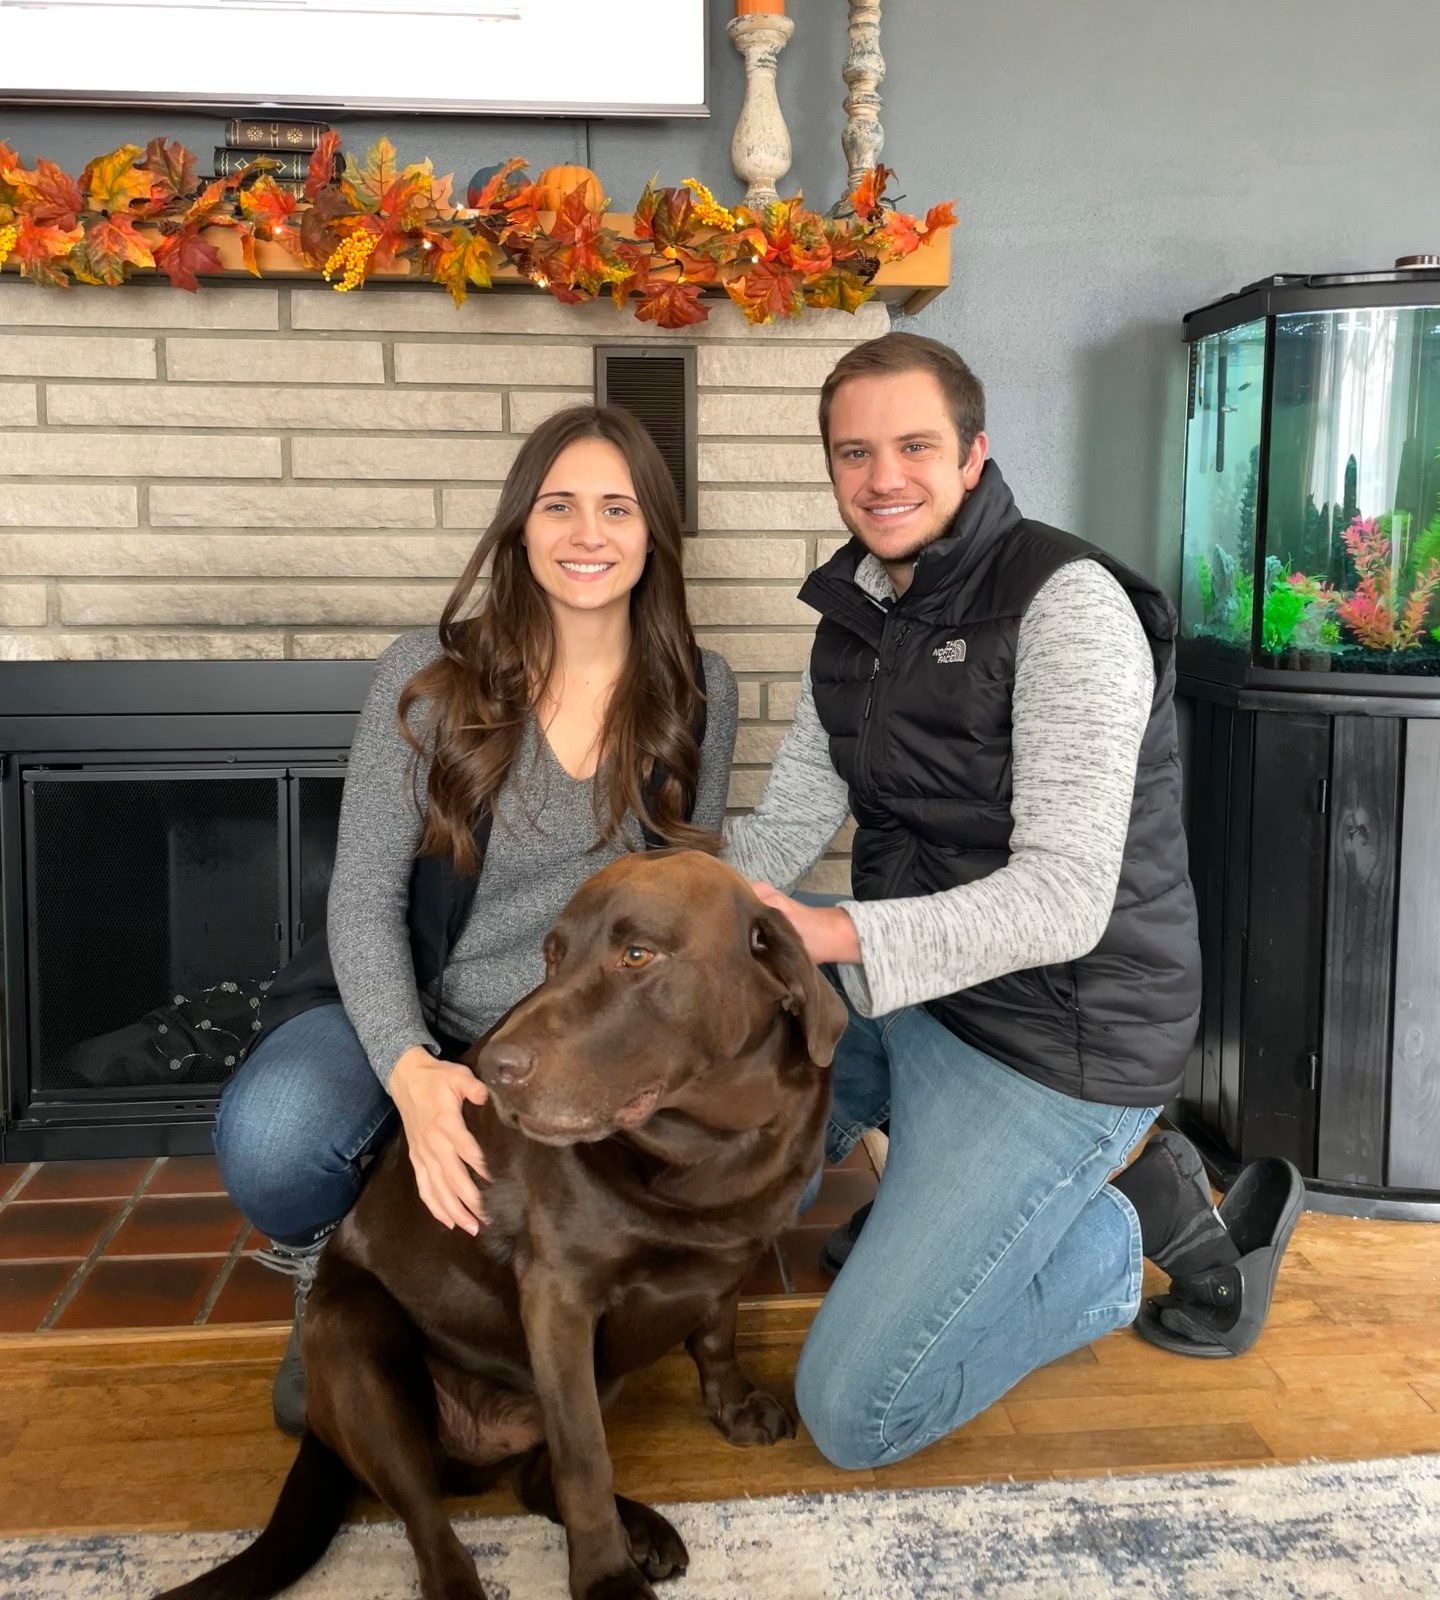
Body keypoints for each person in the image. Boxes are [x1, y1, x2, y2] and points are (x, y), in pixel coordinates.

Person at [723, 331, 1301, 1472]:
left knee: (855, 1411)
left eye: (914, 445)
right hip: (926, 988)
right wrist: (674, 902)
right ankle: (945, 1206)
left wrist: (830, 931)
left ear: (975, 454)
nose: (882, 476)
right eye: (854, 452)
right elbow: (788, 814)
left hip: (1058, 1033)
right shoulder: (856, 613)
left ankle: (1125, 1218)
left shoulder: (1068, 601)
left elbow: (1063, 903)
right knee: (725, 1150)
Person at [215, 404, 738, 1435]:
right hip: (420, 996)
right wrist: (410, 1067)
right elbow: (361, 897)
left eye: (617, 508)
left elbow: (683, 915)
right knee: (274, 1140)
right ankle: (334, 1279)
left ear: (653, 535)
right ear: (520, 526)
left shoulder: (696, 692)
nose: (588, 533)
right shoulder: (431, 675)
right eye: (559, 505)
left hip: (581, 1038)